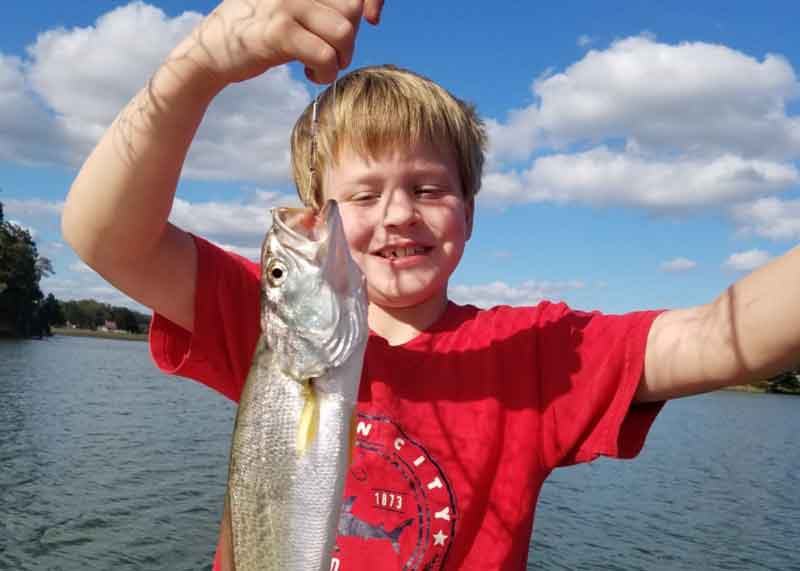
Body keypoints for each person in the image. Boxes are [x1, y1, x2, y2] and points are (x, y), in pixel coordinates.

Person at [62, 1, 800, 569]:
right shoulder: (269, 318)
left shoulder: (534, 353)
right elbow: (102, 234)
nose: (396, 214)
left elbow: (718, 339)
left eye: (427, 187)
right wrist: (202, 62)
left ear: (469, 214)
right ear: (322, 212)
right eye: (362, 194)